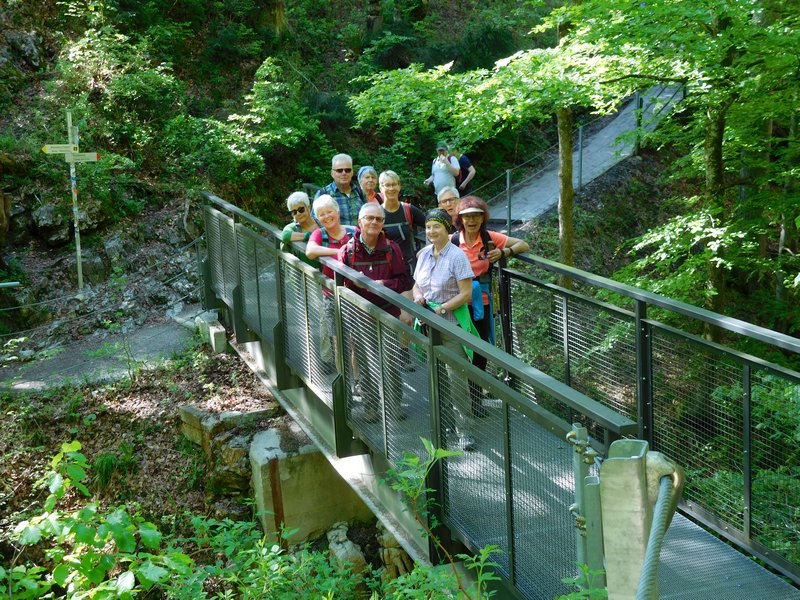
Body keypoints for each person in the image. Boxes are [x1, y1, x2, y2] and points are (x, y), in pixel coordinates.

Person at [453, 196, 529, 417]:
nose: (472, 220)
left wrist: (504, 252)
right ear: (460, 219)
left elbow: (523, 244)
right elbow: (429, 252)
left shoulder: (489, 238)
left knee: (480, 351)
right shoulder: (453, 241)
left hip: (481, 303)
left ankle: (476, 399)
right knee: (459, 351)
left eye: (476, 215)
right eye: (467, 216)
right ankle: (462, 399)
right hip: (457, 303)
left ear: (483, 217)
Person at [412, 208, 480, 452]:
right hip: (429, 325)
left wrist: (440, 310)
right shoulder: (423, 255)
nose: (431, 231)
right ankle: (446, 424)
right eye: (428, 227)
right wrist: (419, 297)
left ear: (447, 229)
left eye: (436, 226)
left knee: (456, 380)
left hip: (450, 325)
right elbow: (416, 284)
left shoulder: (457, 256)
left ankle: (466, 431)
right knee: (436, 376)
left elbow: (466, 293)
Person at [338, 203, 411, 423]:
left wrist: (382, 284)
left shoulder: (392, 249)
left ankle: (394, 404)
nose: (373, 223)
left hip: (387, 312)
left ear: (383, 224)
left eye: (378, 220)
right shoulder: (347, 251)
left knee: (390, 360)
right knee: (364, 361)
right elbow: (339, 285)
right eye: (369, 218)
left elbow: (404, 280)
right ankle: (370, 406)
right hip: (359, 314)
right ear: (359, 222)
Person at [306, 194, 356, 368]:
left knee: (354, 342)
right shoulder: (320, 234)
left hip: (354, 295)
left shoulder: (353, 231)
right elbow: (310, 251)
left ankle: (357, 380)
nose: (327, 217)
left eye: (329, 212)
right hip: (331, 295)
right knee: (338, 341)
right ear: (317, 218)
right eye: (321, 214)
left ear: (338, 211)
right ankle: (343, 380)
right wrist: (339, 252)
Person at [379, 170, 426, 274]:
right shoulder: (377, 214)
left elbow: (432, 226)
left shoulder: (408, 210)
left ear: (399, 186)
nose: (391, 188)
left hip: (409, 268)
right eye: (387, 185)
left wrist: (428, 250)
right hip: (386, 268)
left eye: (394, 184)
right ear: (380, 188)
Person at [314, 153, 366, 226]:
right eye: (339, 170)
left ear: (352, 172)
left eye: (347, 170)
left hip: (358, 236)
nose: (344, 173)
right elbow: (315, 221)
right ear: (332, 173)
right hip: (334, 237)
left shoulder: (360, 192)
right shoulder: (323, 194)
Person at [280, 191, 319, 267]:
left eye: (301, 209)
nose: (298, 213)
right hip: (301, 274)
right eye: (294, 212)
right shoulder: (292, 227)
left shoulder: (320, 223)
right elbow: (285, 235)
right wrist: (310, 235)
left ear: (309, 207)